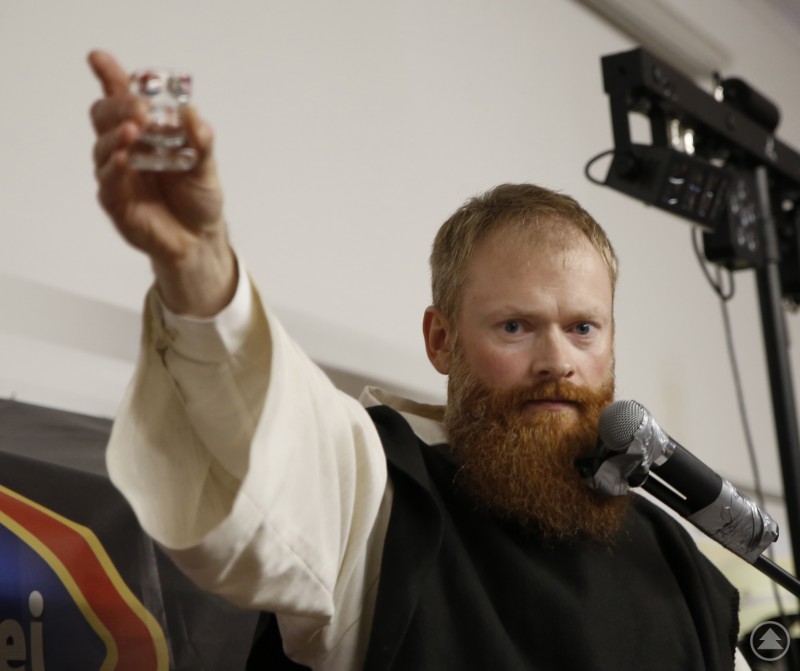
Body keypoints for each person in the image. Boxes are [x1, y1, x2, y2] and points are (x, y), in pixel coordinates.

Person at [89, 50, 748, 670]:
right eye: (515, 325)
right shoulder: (379, 500)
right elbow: (274, 456)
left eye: (583, 327)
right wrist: (197, 265)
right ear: (440, 341)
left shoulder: (680, 564)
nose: (557, 360)